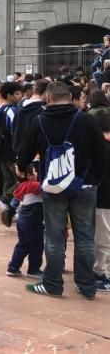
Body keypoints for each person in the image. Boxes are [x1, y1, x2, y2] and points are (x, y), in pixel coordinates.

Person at [17, 81, 105, 299]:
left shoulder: (39, 121)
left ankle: (53, 283)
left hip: (53, 186)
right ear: (71, 97)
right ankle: (87, 285)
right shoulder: (86, 120)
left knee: (54, 236)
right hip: (85, 185)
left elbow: (25, 154)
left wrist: (22, 168)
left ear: (48, 98)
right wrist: (97, 179)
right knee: (85, 236)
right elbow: (101, 153)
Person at [5, 166, 45, 279]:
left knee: (23, 244)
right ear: (28, 176)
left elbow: (16, 195)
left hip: (22, 220)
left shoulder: (21, 186)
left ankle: (13, 267)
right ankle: (33, 269)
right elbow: (43, 188)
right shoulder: (33, 185)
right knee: (37, 245)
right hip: (33, 221)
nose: (37, 173)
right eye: (35, 172)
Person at [0, 81, 23, 215]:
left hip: (2, 150)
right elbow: (15, 132)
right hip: (11, 151)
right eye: (17, 94)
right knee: (22, 180)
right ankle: (4, 201)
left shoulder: (1, 109)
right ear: (9, 95)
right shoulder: (12, 111)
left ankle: (9, 210)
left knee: (8, 180)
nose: (20, 96)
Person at [91, 107, 110, 292]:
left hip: (101, 197)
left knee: (103, 236)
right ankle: (99, 273)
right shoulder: (103, 146)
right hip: (104, 198)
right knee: (104, 237)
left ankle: (101, 270)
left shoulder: (99, 145)